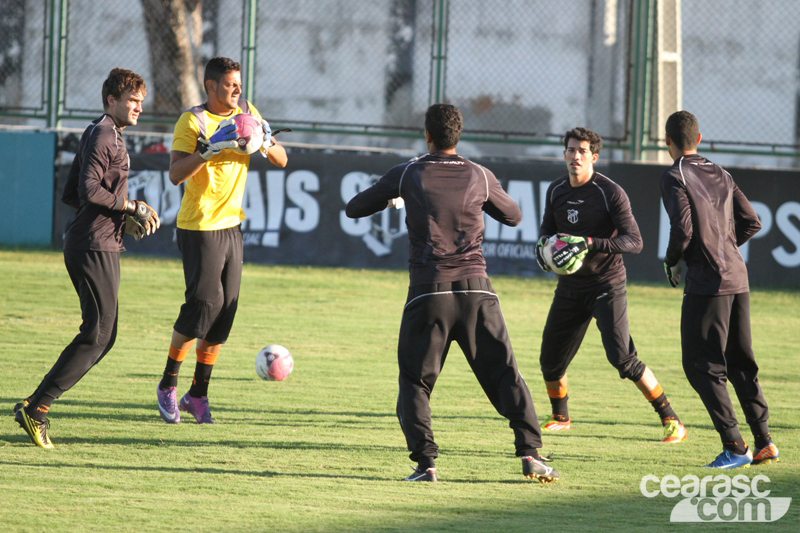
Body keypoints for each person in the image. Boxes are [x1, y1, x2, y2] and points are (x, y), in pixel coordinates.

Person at [345, 104, 558, 483]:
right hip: (477, 290)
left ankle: (426, 464)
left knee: (415, 381)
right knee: (505, 374)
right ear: (458, 136)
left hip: (429, 293)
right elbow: (514, 216)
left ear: (427, 135)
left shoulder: (409, 171)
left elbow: (354, 208)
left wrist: (396, 196)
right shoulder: (479, 174)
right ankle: (531, 454)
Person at [14, 68, 159, 448]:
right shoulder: (103, 133)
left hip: (99, 241)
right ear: (111, 100)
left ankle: (36, 405)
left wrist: (118, 218)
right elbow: (88, 188)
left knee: (104, 336)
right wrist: (128, 205)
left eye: (141, 101)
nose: (138, 107)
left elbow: (72, 194)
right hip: (92, 245)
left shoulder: (103, 132)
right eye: (132, 100)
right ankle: (37, 409)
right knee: (97, 334)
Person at [156, 56, 288, 424]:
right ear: (210, 86)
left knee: (224, 311)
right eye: (230, 84)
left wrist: (262, 139)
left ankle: (197, 395)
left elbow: (282, 159)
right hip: (198, 225)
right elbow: (175, 175)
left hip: (231, 226)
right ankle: (167, 384)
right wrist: (208, 149)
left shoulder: (246, 111)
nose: (238, 90)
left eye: (239, 84)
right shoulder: (193, 120)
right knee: (203, 304)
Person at [535, 127, 687, 443]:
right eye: (570, 150)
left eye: (582, 151)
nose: (575, 156)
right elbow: (546, 233)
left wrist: (588, 243)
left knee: (622, 359)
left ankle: (670, 418)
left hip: (606, 285)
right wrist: (544, 253)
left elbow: (634, 241)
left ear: (594, 157)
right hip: (570, 288)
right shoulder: (555, 190)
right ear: (564, 153)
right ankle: (561, 416)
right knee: (550, 359)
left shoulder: (610, 192)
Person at [660, 110, 778, 468]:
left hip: (708, 283)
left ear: (668, 144)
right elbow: (751, 222)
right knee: (742, 364)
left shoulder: (674, 175)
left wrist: (672, 260)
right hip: (737, 279)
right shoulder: (722, 173)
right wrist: (725, 246)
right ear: (699, 139)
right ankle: (764, 442)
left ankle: (735, 446)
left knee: (700, 365)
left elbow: (682, 231)